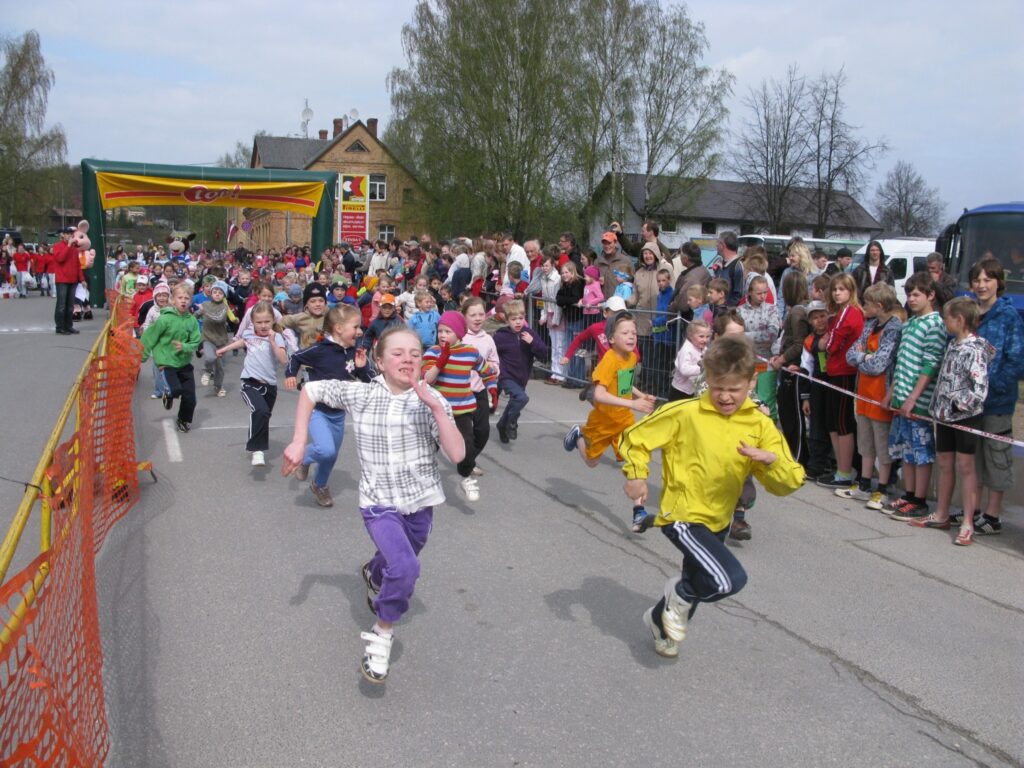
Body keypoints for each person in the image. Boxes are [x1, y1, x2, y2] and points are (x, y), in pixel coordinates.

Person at [282, 326, 464, 683]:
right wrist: (300, 440)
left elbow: (457, 454)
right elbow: (310, 391)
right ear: (379, 362)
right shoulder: (362, 393)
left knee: (396, 563)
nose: (407, 359)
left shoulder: (433, 400)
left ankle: (374, 573)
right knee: (406, 567)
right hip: (378, 502)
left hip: (420, 501)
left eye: (415, 353)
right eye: (397, 353)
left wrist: (437, 410)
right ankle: (381, 635)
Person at [620, 336, 804, 657]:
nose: (725, 396)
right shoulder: (686, 412)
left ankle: (660, 621)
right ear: (708, 379)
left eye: (734, 388)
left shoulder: (760, 424)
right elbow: (635, 438)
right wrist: (636, 474)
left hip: (719, 519)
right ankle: (678, 597)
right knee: (728, 580)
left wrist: (771, 461)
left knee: (697, 579)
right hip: (682, 516)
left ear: (751, 382)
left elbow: (788, 483)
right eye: (718, 387)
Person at [562, 312, 657, 532]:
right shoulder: (609, 360)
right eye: (625, 333)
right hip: (603, 421)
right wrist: (633, 404)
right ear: (611, 338)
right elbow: (599, 394)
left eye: (634, 332)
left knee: (635, 460)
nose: (631, 336)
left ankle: (639, 512)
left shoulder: (631, 357)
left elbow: (624, 384)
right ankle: (578, 435)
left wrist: (640, 395)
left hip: (624, 420)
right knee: (592, 462)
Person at [912, 297, 992, 545]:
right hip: (944, 416)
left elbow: (979, 389)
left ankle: (968, 522)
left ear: (960, 319)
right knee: (945, 463)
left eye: (946, 318)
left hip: (966, 418)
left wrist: (958, 405)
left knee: (966, 467)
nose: (944, 322)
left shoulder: (975, 349)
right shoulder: (952, 344)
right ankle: (941, 513)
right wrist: (939, 407)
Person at [283, 304, 371, 506]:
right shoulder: (319, 349)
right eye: (355, 327)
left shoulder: (354, 352)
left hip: (338, 414)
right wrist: (290, 374)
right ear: (338, 328)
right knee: (326, 450)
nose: (359, 332)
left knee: (330, 456)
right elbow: (295, 357)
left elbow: (369, 381)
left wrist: (362, 368)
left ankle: (319, 485)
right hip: (317, 410)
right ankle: (304, 458)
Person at [966, 257, 1024, 535]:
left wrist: (993, 386)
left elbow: (1016, 360)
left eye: (987, 280)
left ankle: (992, 515)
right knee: (973, 458)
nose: (982, 285)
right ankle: (973, 509)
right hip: (969, 402)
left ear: (998, 283)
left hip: (996, 401)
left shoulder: (1008, 316)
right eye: (977, 280)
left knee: (996, 457)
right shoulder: (970, 313)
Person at [885, 273, 948, 521]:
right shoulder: (910, 324)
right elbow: (901, 362)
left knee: (921, 451)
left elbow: (931, 364)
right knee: (906, 449)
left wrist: (914, 397)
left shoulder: (935, 324)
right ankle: (909, 494)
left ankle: (920, 500)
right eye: (909, 295)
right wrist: (892, 392)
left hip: (918, 402)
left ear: (930, 295)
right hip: (901, 397)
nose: (911, 299)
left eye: (916, 295)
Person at [836, 282, 903, 510]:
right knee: (865, 442)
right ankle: (864, 484)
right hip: (863, 393)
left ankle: (882, 489)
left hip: (880, 394)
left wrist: (863, 357)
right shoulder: (870, 324)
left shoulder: (894, 328)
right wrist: (864, 357)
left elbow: (879, 364)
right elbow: (851, 354)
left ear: (879, 305)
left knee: (882, 444)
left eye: (867, 303)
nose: (863, 306)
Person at [421, 311, 497, 502]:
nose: (443, 335)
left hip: (462, 409)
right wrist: (440, 362)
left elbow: (486, 372)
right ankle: (421, 481)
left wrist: (493, 389)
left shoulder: (470, 352)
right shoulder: (432, 352)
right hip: (437, 411)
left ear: (459, 333)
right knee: (427, 448)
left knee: (467, 446)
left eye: (448, 331)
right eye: (440, 331)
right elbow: (427, 379)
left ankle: (466, 477)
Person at [214, 301, 288, 467]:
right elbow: (243, 341)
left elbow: (283, 360)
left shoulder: (277, 337)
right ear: (252, 322)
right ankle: (257, 450)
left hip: (269, 385)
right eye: (259, 322)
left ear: (273, 321)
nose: (263, 325)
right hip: (250, 382)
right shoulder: (248, 333)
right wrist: (225, 349)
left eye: (267, 321)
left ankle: (257, 446)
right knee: (260, 410)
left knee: (264, 416)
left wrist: (273, 342)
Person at [816, 273, 865, 489]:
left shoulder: (850, 312)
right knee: (833, 423)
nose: (837, 293)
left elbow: (830, 344)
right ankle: (841, 469)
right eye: (835, 289)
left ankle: (845, 472)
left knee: (843, 424)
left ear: (851, 291)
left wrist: (826, 342)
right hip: (835, 371)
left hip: (845, 371)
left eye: (842, 289)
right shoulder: (840, 312)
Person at [141, 283, 201, 433]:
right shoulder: (164, 319)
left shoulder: (192, 321)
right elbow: (150, 337)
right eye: (180, 298)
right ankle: (168, 394)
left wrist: (185, 346)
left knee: (190, 398)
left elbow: (195, 341)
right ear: (173, 300)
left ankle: (183, 419)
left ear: (190, 301)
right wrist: (141, 356)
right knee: (176, 390)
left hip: (184, 363)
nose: (183, 301)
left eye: (187, 298)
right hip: (168, 363)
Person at [771, 272, 811, 467]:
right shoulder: (797, 310)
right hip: (788, 367)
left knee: (792, 417)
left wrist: (782, 359)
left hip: (793, 370)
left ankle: (798, 457)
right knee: (786, 414)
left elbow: (799, 344)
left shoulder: (797, 312)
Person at [493, 300, 548, 444]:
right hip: (506, 376)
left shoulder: (529, 334)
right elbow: (491, 352)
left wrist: (532, 342)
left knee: (516, 401)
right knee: (522, 398)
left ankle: (502, 424)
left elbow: (543, 353)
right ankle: (511, 422)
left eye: (520, 318)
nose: (517, 322)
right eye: (513, 319)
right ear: (507, 320)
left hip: (522, 376)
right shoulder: (500, 336)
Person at [461, 296, 500, 473]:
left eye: (481, 314)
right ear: (464, 316)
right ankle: (466, 464)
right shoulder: (459, 337)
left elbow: (494, 361)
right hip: (460, 393)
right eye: (473, 315)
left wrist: (493, 368)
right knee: (466, 434)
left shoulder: (488, 339)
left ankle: (467, 460)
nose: (477, 318)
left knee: (482, 432)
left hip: (479, 391)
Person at [737, 275, 781, 421]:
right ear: (749, 292)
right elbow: (735, 336)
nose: (763, 296)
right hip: (746, 362)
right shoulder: (739, 311)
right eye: (758, 293)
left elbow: (772, 334)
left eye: (765, 292)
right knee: (747, 398)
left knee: (766, 398)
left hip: (766, 362)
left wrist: (745, 335)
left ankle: (770, 427)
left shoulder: (771, 309)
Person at [198, 280, 236, 398]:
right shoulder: (205, 304)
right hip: (207, 337)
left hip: (221, 340)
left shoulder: (224, 307)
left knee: (219, 367)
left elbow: (218, 319)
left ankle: (218, 387)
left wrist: (205, 313)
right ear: (211, 293)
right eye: (215, 292)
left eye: (220, 293)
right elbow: (195, 315)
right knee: (210, 357)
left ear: (224, 295)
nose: (217, 294)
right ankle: (207, 371)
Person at [142, 282, 172, 400]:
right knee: (156, 367)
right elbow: (147, 324)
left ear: (169, 297)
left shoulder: (172, 309)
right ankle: (159, 390)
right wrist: (146, 333)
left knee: (169, 366)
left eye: (164, 295)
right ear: (155, 297)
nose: (162, 298)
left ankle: (169, 388)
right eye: (159, 296)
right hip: (156, 343)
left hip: (169, 342)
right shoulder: (152, 310)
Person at [669, 319, 711, 401]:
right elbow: (684, 370)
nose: (705, 340)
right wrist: (703, 369)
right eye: (701, 336)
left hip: (692, 388)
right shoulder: (686, 350)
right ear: (691, 336)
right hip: (680, 390)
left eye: (707, 336)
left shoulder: (703, 348)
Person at [51, 226, 82, 335]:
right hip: (62, 280)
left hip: (73, 280)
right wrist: (68, 246)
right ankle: (60, 327)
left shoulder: (74, 249)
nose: (70, 236)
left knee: (70, 306)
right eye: (67, 234)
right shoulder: (57, 246)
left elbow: (78, 265)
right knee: (61, 305)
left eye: (71, 234)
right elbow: (60, 258)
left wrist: (82, 279)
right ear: (63, 235)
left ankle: (69, 326)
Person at [593, 231, 634, 300]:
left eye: (609, 243)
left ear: (615, 243)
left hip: (619, 304)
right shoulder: (597, 262)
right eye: (604, 243)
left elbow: (632, 281)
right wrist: (597, 281)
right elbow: (591, 282)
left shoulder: (625, 261)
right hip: (601, 303)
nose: (606, 246)